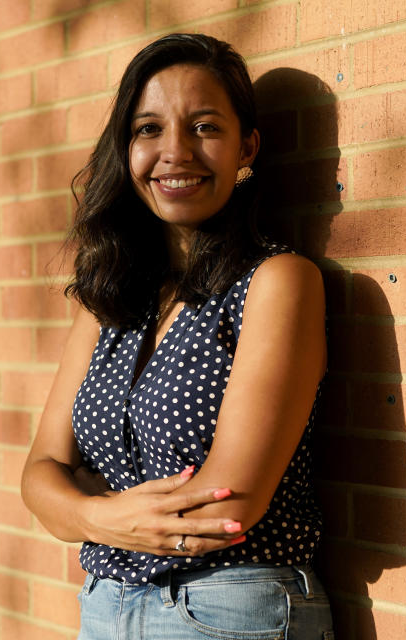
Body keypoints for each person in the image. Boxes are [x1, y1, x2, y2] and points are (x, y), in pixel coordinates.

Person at [21, 33, 333, 639]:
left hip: (226, 606)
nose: (175, 152)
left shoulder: (278, 282)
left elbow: (226, 507)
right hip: (105, 607)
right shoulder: (110, 301)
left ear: (247, 147)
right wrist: (95, 513)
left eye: (205, 127)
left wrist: (85, 507)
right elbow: (40, 474)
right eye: (148, 129)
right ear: (126, 149)